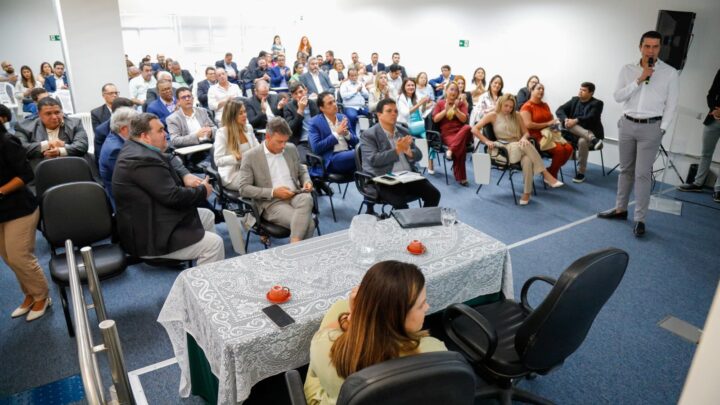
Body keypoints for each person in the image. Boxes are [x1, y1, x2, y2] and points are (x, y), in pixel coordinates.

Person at [304, 260, 446, 405]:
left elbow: (318, 360)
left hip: (339, 398)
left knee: (338, 308)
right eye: (421, 305)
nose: (427, 307)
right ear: (397, 316)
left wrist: (355, 314)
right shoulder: (436, 352)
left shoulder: (323, 343)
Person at [112, 113, 224, 264]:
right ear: (145, 136)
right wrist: (203, 191)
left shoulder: (137, 148)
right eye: (160, 131)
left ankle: (204, 270)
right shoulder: (141, 159)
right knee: (214, 244)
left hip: (155, 216)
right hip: (149, 234)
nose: (165, 134)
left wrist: (185, 175)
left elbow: (169, 155)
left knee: (207, 215)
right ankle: (202, 285)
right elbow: (173, 197)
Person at [598, 31, 679, 237]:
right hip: (627, 124)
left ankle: (640, 219)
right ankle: (620, 209)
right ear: (640, 47)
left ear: (660, 48)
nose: (651, 50)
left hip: (651, 128)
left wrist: (662, 129)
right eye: (647, 46)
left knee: (642, 174)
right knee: (625, 170)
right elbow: (617, 96)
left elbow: (671, 105)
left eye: (655, 47)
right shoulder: (627, 69)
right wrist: (639, 80)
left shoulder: (670, 73)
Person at [0, 105, 51, 322]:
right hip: (1, 211)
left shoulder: (6, 141)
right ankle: (29, 294)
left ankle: (42, 296)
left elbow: (25, 175)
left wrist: (0, 190)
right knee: (9, 258)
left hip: (19, 208)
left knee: (20, 256)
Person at [471, 94, 563, 205]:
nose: (509, 109)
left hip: (519, 146)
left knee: (527, 159)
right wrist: (486, 141)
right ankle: (546, 174)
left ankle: (526, 193)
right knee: (526, 146)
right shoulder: (492, 115)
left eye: (511, 107)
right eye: (506, 106)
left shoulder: (517, 115)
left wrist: (524, 138)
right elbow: (474, 129)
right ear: (501, 104)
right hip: (503, 149)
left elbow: (526, 133)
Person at [238, 117, 315, 243]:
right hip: (271, 202)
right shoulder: (251, 157)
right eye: (279, 142)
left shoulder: (291, 148)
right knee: (309, 224)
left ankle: (294, 246)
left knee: (307, 198)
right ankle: (296, 249)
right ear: (268, 137)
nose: (283, 146)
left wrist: (307, 181)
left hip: (295, 194)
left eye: (285, 141)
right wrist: (273, 192)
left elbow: (302, 170)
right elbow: (244, 189)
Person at [361, 99, 441, 209]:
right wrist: (397, 151)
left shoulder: (403, 131)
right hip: (385, 178)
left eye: (395, 111)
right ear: (379, 114)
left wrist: (409, 153)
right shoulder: (369, 135)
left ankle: (423, 221)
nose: (394, 114)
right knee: (400, 204)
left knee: (434, 194)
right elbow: (374, 160)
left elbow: (419, 155)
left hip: (408, 176)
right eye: (389, 111)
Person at [677, 69, 720, 202]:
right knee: (705, 153)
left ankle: (719, 189)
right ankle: (698, 183)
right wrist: (714, 110)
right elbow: (711, 94)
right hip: (714, 118)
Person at [14, 97, 88, 169]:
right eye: (48, 114)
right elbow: (20, 149)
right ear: (39, 115)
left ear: (62, 112)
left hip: (71, 167)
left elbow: (82, 146)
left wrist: (60, 151)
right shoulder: (24, 126)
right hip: (41, 170)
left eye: (57, 112)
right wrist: (47, 144)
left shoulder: (75, 123)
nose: (54, 117)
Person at [520, 83, 574, 179]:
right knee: (560, 150)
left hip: (550, 133)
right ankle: (552, 174)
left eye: (543, 89)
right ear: (531, 91)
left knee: (569, 149)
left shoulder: (545, 105)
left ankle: (551, 170)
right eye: (539, 88)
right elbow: (528, 124)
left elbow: (552, 120)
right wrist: (547, 124)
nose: (541, 91)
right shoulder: (526, 106)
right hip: (535, 136)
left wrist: (557, 132)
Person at [555, 82, 605, 183]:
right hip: (574, 134)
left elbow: (591, 117)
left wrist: (576, 120)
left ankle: (581, 173)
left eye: (584, 90)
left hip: (592, 132)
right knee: (568, 124)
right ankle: (593, 140)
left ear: (591, 93)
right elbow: (559, 110)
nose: (580, 92)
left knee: (582, 141)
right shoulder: (574, 100)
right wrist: (565, 119)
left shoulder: (597, 103)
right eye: (580, 89)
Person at [308, 92, 359, 177]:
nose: (335, 105)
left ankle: (374, 185)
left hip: (348, 154)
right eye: (330, 103)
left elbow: (356, 142)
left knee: (367, 153)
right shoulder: (314, 123)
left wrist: (347, 134)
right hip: (332, 159)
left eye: (334, 101)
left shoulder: (342, 117)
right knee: (363, 153)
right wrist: (337, 133)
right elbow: (316, 148)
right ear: (322, 108)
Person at [432, 81, 472, 186]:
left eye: (456, 90)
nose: (453, 92)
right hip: (448, 134)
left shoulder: (461, 103)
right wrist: (445, 110)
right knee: (461, 146)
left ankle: (450, 150)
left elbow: (464, 120)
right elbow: (435, 119)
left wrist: (456, 109)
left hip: (461, 132)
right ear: (446, 91)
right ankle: (462, 178)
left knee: (467, 127)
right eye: (451, 89)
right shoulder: (440, 103)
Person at [213, 99, 258, 190]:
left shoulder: (248, 128)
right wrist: (235, 157)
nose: (245, 115)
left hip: (250, 168)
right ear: (232, 116)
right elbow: (218, 160)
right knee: (261, 181)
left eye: (245, 112)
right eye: (240, 113)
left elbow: (257, 148)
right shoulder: (222, 133)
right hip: (232, 174)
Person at [98, 107, 139, 206]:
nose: (138, 128)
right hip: (126, 204)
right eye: (135, 125)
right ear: (124, 129)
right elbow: (131, 180)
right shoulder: (116, 150)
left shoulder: (116, 136)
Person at [283, 82, 319, 163]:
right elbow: (290, 129)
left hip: (316, 139)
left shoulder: (313, 103)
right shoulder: (288, 107)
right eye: (295, 94)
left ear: (305, 90)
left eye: (301, 91)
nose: (299, 95)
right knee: (304, 161)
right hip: (301, 141)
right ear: (292, 96)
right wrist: (300, 111)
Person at [339, 67, 369, 132]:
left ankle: (366, 133)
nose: (354, 77)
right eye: (352, 76)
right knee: (352, 116)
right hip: (350, 107)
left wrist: (361, 91)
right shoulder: (344, 84)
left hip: (361, 107)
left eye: (355, 75)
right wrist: (355, 91)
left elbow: (367, 95)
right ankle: (353, 135)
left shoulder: (360, 83)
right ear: (348, 76)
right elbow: (344, 96)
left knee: (371, 114)